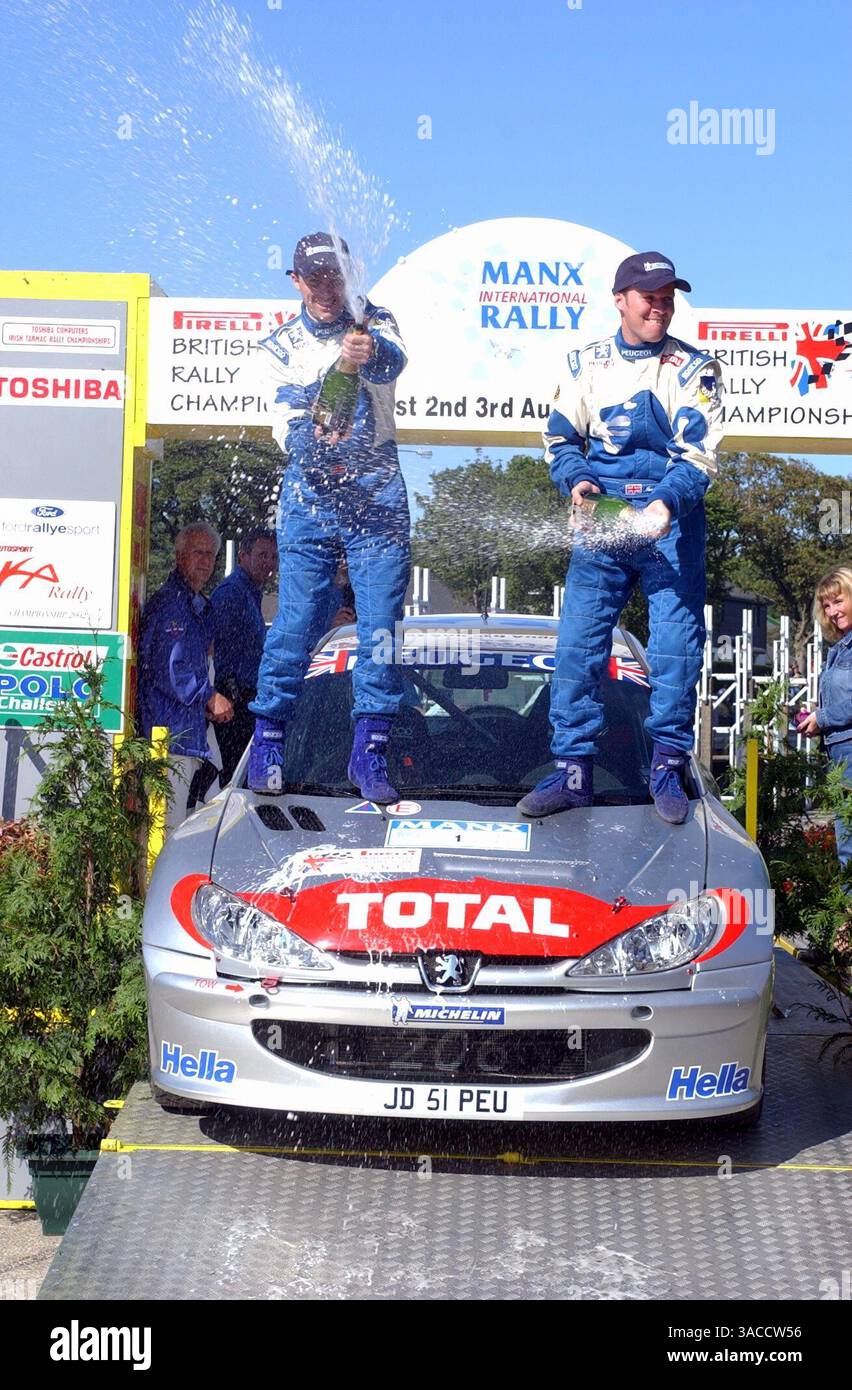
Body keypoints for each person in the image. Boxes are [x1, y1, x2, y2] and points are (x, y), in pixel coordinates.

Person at [518, 251, 723, 824]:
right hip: (603, 520)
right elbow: (560, 441)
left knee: (675, 652)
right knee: (578, 648)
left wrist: (665, 501)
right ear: (621, 300)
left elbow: (699, 455)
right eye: (648, 296)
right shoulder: (584, 363)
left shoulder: (695, 368)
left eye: (667, 296)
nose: (659, 305)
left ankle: (667, 766)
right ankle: (572, 771)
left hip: (670, 520)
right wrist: (579, 484)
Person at [247, 232, 410, 802]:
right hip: (310, 496)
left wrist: (364, 351)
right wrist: (337, 373)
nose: (325, 288)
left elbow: (394, 360)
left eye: (334, 276)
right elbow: (298, 429)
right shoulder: (276, 348)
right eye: (313, 278)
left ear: (349, 276)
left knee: (381, 628)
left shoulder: (375, 319)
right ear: (295, 281)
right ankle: (268, 738)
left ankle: (370, 753)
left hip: (377, 492)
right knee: (294, 621)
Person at [138, 522, 233, 831]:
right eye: (197, 553)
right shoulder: (171, 605)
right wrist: (208, 696)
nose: (204, 561)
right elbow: (170, 668)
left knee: (187, 827)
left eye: (210, 554)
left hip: (189, 736)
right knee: (164, 830)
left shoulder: (198, 606)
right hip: (168, 737)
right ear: (179, 556)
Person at [210, 528, 277, 783]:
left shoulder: (250, 593)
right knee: (235, 783)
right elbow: (212, 647)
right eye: (261, 555)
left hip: (245, 701)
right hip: (232, 705)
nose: (268, 563)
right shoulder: (231, 593)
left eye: (273, 556)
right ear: (242, 557)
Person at [798, 567, 852, 877]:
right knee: (846, 844)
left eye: (838, 601)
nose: (832, 612)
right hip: (839, 758)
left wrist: (823, 717)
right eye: (826, 606)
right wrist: (817, 718)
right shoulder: (839, 649)